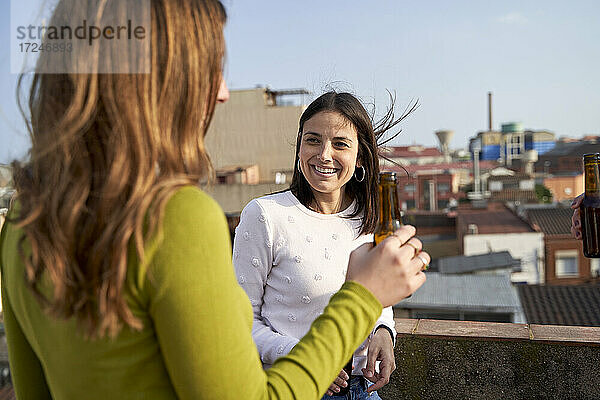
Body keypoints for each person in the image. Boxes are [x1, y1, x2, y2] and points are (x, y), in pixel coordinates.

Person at [0, 1, 429, 399]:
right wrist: (362, 295)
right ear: (153, 82)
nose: (222, 91)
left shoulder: (25, 214)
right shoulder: (178, 217)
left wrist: (380, 325)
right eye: (208, 68)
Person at [234, 92, 427, 399]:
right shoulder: (265, 215)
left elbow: (374, 296)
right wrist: (306, 357)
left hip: (363, 389)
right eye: (312, 140)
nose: (324, 154)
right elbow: (240, 324)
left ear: (360, 156)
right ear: (299, 147)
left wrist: (383, 331)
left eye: (340, 144)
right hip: (295, 388)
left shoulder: (370, 217)